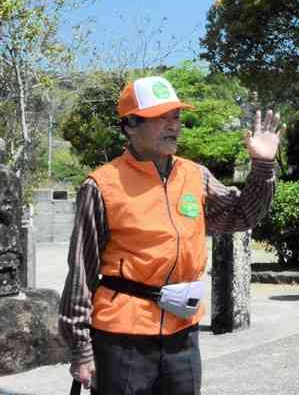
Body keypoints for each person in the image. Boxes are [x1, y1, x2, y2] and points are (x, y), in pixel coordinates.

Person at [59, 75, 283, 394]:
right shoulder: (101, 185)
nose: (172, 125)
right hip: (123, 336)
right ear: (129, 125)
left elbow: (242, 214)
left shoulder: (196, 176)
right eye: (159, 117)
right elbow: (81, 272)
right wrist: (81, 348)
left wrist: (262, 165)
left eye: (175, 116)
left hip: (183, 331)